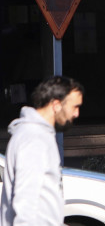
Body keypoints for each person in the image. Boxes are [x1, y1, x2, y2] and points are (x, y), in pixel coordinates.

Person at [1, 76, 84, 226]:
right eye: (74, 107)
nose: (76, 114)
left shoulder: (34, 134)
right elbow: (26, 202)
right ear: (56, 105)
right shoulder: (34, 139)